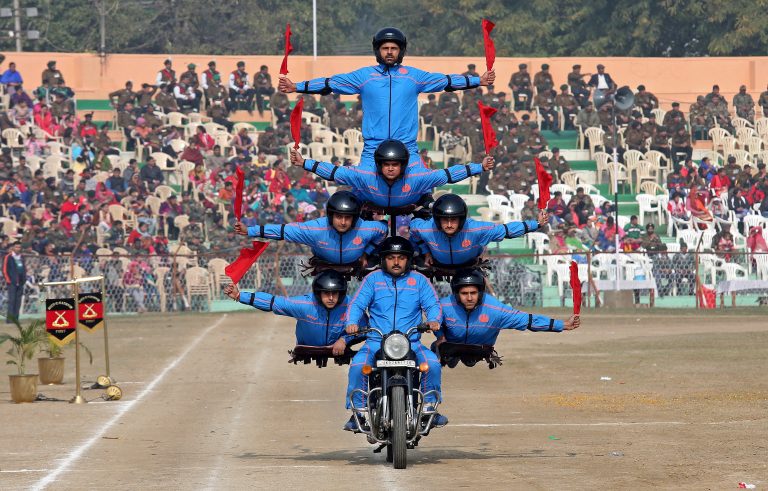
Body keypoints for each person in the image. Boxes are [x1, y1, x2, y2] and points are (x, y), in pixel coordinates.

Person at [278, 27, 494, 172]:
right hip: (373, 149)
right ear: (377, 50)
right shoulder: (364, 76)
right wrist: (296, 86)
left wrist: (478, 80)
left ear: (401, 51)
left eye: (394, 48)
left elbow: (446, 81)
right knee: (360, 192)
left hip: (408, 148)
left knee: (425, 191)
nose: (389, 52)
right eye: (385, 48)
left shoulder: (414, 76)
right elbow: (330, 83)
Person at [343, 236, 445, 431]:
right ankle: (359, 413)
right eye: (391, 258)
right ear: (383, 260)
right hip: (375, 342)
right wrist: (351, 322)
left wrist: (434, 320)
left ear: (408, 260)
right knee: (357, 366)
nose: (396, 262)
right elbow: (357, 304)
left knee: (432, 364)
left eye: (401, 257)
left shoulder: (419, 281)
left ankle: (429, 410)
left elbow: (433, 304)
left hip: (411, 342)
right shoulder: (372, 280)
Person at [291, 139, 493, 210]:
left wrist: (479, 167)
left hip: (412, 206)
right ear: (378, 165)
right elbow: (335, 172)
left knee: (434, 210)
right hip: (371, 206)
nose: (390, 168)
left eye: (395, 164)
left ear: (403, 165)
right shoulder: (364, 176)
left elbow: (448, 174)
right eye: (386, 164)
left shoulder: (418, 179)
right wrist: (304, 162)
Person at [436, 269, 579, 354]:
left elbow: (528, 321)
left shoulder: (495, 310)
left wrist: (563, 325)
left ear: (480, 293)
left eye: (473, 293)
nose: (469, 298)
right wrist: (440, 336)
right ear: (456, 294)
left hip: (480, 349)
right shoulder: (443, 307)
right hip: (450, 347)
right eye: (464, 293)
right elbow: (428, 320)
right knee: (432, 356)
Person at [234, 191, 387, 269]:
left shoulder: (366, 228)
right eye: (339, 217)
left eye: (348, 218)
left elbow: (383, 230)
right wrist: (250, 230)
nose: (343, 222)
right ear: (330, 215)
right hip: (324, 267)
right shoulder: (314, 229)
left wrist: (367, 253)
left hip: (356, 266)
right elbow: (283, 231)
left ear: (355, 218)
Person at [223, 271, 362, 353]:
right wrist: (240, 296)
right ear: (318, 294)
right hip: (307, 345)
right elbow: (273, 302)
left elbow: (365, 327)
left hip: (339, 344)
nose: (331, 298)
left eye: (335, 293)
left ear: (342, 294)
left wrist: (344, 339)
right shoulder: (304, 305)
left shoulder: (350, 306)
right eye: (326, 293)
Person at [410, 194, 548, 270]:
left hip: (469, 265)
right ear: (437, 220)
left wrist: (535, 224)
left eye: (454, 220)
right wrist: (425, 251)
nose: (450, 225)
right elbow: (414, 232)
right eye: (445, 220)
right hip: (438, 265)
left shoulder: (476, 229)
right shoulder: (425, 228)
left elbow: (506, 230)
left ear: (462, 219)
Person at [3, 242, 26, 323]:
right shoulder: (8, 257)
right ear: (13, 248)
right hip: (12, 283)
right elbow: (4, 269)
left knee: (18, 301)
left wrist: (24, 279)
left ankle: (16, 319)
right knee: (12, 301)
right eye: (16, 247)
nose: (18, 248)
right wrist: (8, 280)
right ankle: (9, 320)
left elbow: (24, 269)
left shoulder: (21, 257)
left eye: (19, 247)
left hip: (20, 282)